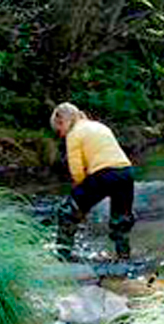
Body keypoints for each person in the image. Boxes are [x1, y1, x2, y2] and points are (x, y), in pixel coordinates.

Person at [50, 102, 135, 260]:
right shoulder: (99, 126)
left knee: (67, 211)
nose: (60, 135)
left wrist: (80, 199)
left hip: (104, 173)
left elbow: (76, 170)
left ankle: (62, 254)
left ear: (63, 122)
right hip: (126, 172)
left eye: (58, 130)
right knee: (121, 220)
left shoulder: (74, 134)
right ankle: (124, 257)